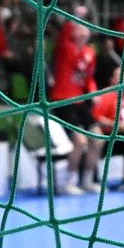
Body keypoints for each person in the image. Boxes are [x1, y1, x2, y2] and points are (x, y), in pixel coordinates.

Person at [47, 16, 101, 195]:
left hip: (80, 101)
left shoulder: (90, 52)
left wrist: (93, 92)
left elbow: (89, 78)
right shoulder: (65, 48)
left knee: (98, 139)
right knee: (80, 141)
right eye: (78, 28)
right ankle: (67, 182)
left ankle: (87, 180)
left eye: (85, 28)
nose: (83, 31)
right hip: (63, 101)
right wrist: (73, 16)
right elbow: (63, 35)